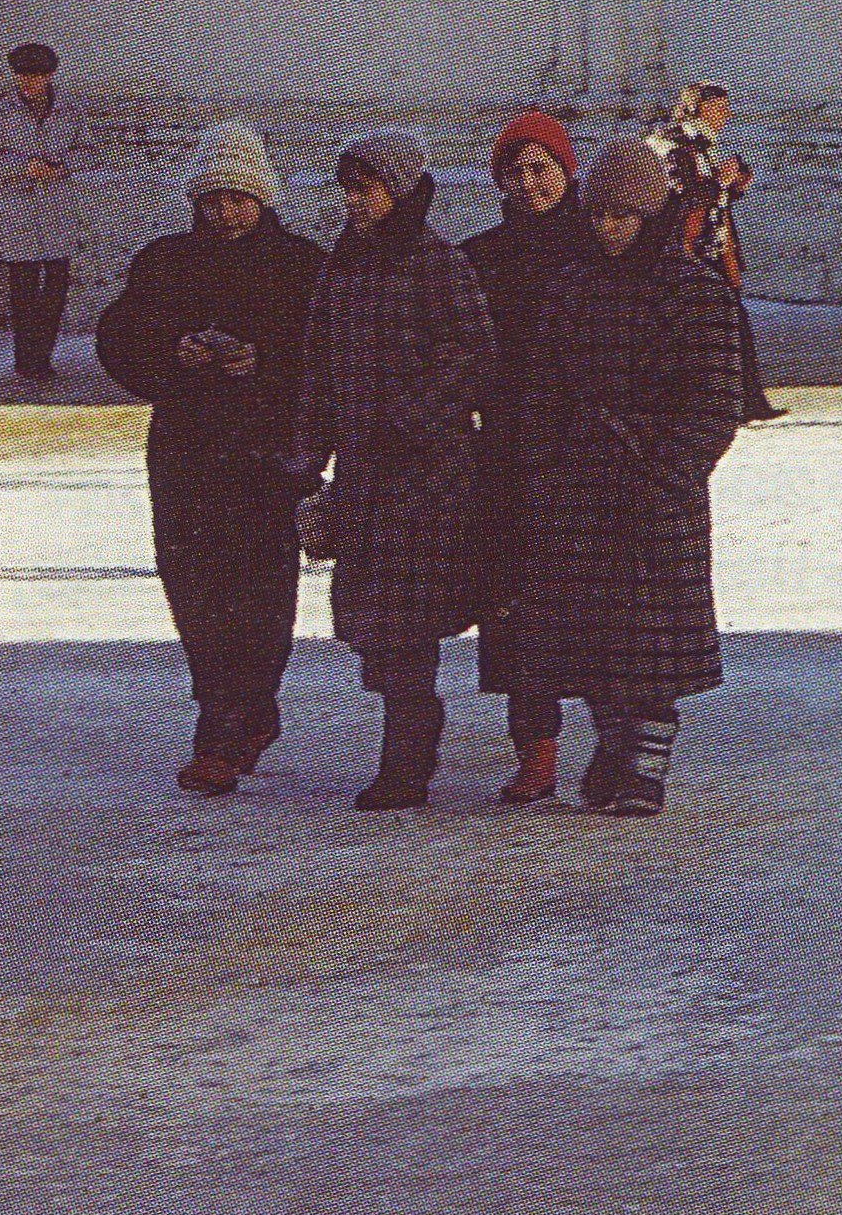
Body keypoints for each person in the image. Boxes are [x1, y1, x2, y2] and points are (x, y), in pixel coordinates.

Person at [511, 131, 748, 813]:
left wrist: (669, 471)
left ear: (651, 217)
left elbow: (715, 401)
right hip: (579, 488)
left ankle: (645, 763)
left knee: (652, 643)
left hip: (654, 492)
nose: (610, 230)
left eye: (622, 216)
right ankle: (612, 748)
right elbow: (544, 391)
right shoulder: (572, 290)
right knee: (590, 637)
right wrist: (547, 469)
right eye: (599, 217)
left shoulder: (696, 293)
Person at [92, 120, 323, 790]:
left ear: (264, 198)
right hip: (187, 452)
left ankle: (242, 714)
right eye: (212, 201)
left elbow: (325, 352)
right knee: (193, 584)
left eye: (238, 199)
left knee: (259, 588)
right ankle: (219, 712)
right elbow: (120, 337)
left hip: (262, 453)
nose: (224, 213)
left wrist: (265, 361)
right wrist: (174, 352)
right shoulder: (165, 262)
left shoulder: (300, 265)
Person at [289, 129, 492, 805]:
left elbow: (472, 356)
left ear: (399, 192)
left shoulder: (437, 263)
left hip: (427, 477)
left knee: (407, 621)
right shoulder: (341, 267)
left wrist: (409, 419)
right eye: (348, 190)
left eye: (366, 189)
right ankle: (406, 739)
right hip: (365, 478)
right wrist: (309, 453)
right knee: (376, 622)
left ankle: (407, 758)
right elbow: (317, 366)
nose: (354, 203)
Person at [462, 111, 593, 800]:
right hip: (509, 453)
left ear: (566, 170)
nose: (527, 183)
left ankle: (616, 745)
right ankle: (535, 751)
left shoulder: (598, 246)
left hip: (588, 451)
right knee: (518, 609)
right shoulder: (481, 257)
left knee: (599, 605)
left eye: (540, 167)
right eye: (514, 171)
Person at [651, 77, 775, 421]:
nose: (725, 115)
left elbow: (711, 198)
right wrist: (719, 182)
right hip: (691, 250)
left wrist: (732, 186)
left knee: (733, 320)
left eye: (725, 108)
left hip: (715, 247)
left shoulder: (704, 145)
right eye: (717, 108)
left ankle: (747, 400)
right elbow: (681, 199)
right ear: (696, 107)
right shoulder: (674, 145)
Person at [0, 44, 85, 385]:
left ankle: (44, 356)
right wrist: (24, 168)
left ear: (50, 76)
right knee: (24, 290)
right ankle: (25, 359)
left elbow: (88, 151)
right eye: (23, 76)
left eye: (36, 76)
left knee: (55, 290)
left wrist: (62, 167)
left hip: (58, 211)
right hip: (18, 211)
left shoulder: (71, 111)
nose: (29, 83)